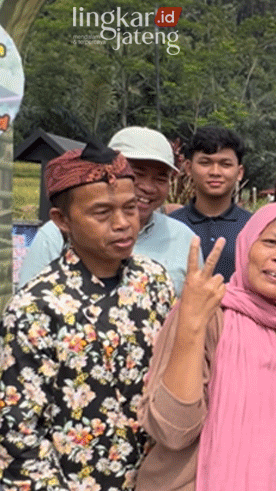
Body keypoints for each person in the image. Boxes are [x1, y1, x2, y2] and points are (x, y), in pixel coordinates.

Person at [0, 143, 174, 490]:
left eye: (130, 208)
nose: (123, 224)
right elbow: (18, 439)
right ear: (62, 220)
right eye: (102, 212)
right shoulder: (35, 308)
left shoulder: (154, 281)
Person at [137, 203, 276, 491]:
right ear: (247, 244)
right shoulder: (205, 313)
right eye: (271, 242)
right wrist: (191, 325)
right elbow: (172, 430)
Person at [19, 126, 197, 295]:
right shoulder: (54, 236)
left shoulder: (182, 239)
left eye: (160, 178)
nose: (148, 187)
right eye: (137, 174)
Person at [169, 126, 251, 281]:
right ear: (188, 168)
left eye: (225, 164)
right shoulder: (170, 226)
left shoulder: (254, 228)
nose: (215, 172)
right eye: (205, 163)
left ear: (239, 173)